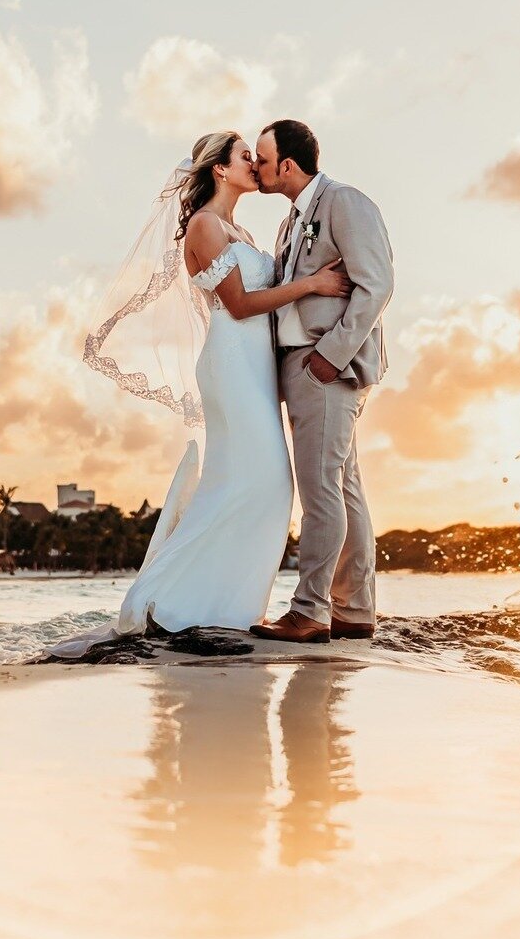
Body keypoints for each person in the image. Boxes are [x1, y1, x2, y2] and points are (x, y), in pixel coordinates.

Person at [58, 130, 350, 653]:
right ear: (220, 169)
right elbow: (238, 304)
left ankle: (226, 605)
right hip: (231, 364)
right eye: (245, 158)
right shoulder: (205, 225)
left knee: (254, 485)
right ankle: (181, 601)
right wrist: (312, 286)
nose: (255, 165)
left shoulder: (237, 228)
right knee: (262, 484)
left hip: (254, 367)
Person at [249, 119, 394, 643]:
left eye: (262, 161)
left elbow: (375, 285)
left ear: (288, 164)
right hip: (302, 366)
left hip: (328, 363)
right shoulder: (289, 222)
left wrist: (331, 356)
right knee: (343, 484)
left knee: (319, 487)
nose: (256, 169)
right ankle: (353, 609)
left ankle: (310, 611)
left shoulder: (345, 201)